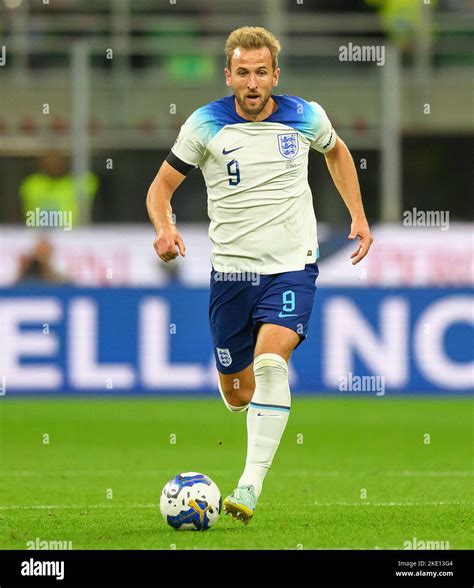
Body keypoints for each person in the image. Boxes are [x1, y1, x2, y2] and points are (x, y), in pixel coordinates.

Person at [146, 26, 373, 525]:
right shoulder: (205, 124)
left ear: (276, 74)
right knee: (238, 393)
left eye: (261, 72)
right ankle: (243, 404)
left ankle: (249, 485)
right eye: (243, 73)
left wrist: (357, 213)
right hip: (230, 276)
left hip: (291, 266)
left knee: (272, 362)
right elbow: (160, 189)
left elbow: (336, 151)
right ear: (229, 75)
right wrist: (165, 229)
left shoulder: (305, 116)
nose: (252, 82)